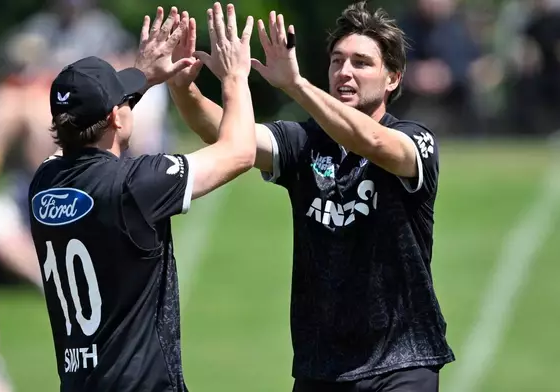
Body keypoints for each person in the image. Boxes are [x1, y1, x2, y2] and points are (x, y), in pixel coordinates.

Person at [168, 1, 454, 391]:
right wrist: (182, 86)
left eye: (361, 62)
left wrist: (296, 84)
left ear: (393, 78)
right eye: (337, 61)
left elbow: (370, 140)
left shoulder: (415, 141)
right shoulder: (304, 141)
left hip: (402, 363)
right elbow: (223, 133)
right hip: (322, 367)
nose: (345, 72)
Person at [28, 3, 255, 391]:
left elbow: (83, 133)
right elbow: (240, 152)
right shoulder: (136, 185)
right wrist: (235, 77)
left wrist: (139, 77)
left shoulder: (43, 184)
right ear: (117, 116)